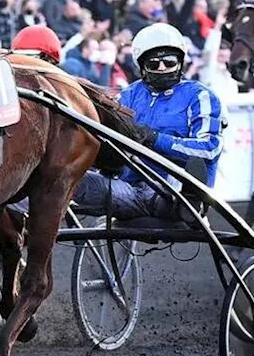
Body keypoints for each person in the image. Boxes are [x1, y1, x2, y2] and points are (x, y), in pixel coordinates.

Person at [72, 23, 224, 223]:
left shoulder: (200, 96)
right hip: (125, 191)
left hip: (170, 190)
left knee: (179, 185)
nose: (162, 68)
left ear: (180, 63)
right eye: (153, 64)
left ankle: (189, 202)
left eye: (169, 62)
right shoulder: (128, 95)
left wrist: (155, 139)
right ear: (142, 67)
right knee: (64, 178)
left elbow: (210, 149)